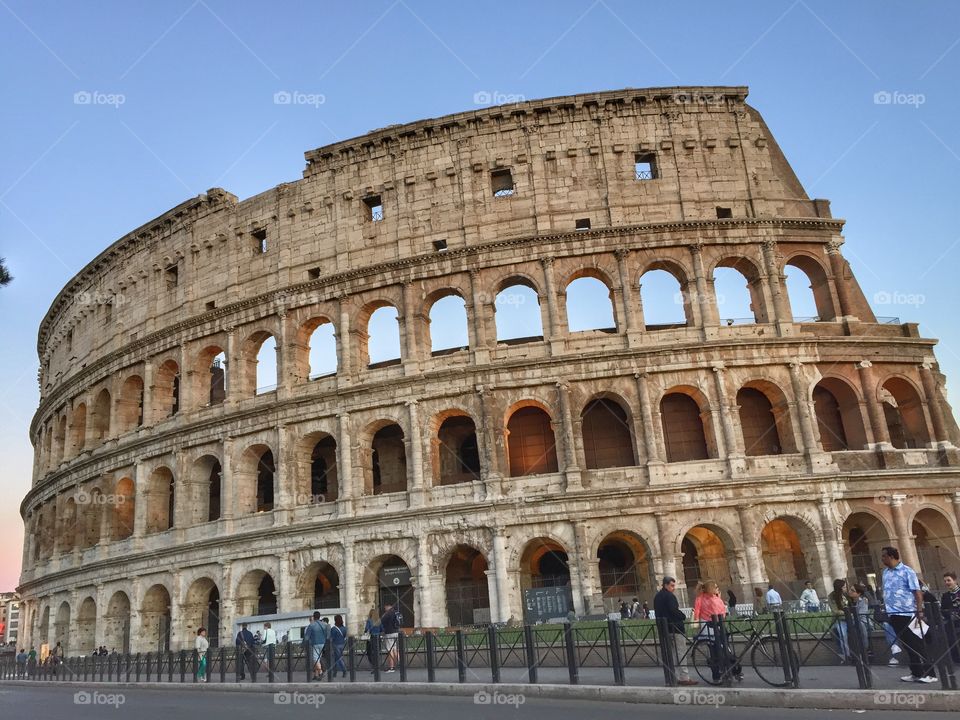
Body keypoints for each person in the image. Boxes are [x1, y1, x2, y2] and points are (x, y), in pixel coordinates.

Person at [881, 546, 936, 683]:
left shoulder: (907, 571)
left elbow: (917, 592)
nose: (882, 559)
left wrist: (919, 610)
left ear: (892, 557)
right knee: (907, 645)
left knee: (917, 643)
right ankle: (916, 672)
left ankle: (930, 673)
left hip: (908, 613)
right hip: (893, 613)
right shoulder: (885, 573)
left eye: (884, 556)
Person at [693, 580, 741, 682]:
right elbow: (721, 611)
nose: (717, 588)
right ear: (710, 588)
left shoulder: (705, 598)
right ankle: (724, 672)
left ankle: (722, 673)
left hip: (712, 626)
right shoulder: (707, 598)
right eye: (715, 587)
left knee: (718, 650)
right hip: (711, 626)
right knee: (718, 650)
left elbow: (698, 612)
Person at [653, 576, 697, 686]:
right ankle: (684, 677)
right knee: (681, 653)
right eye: (672, 585)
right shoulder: (670, 596)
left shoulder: (657, 597)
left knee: (671, 654)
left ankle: (673, 676)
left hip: (664, 629)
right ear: (666, 585)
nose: (674, 588)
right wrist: (682, 616)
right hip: (675, 628)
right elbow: (674, 611)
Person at [828, 578, 851, 662]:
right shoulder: (832, 596)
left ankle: (863, 652)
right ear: (839, 587)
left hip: (850, 618)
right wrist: (847, 612)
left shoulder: (847, 595)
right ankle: (846, 656)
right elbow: (835, 610)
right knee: (843, 635)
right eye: (844, 587)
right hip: (841, 619)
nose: (845, 588)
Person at [940, 571, 960, 663]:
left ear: (955, 580)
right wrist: (950, 615)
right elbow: (942, 609)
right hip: (951, 621)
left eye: (949, 580)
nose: (947, 583)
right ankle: (956, 659)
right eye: (945, 581)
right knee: (950, 638)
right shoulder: (945, 595)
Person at [304, 611, 326, 681]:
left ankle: (321, 672)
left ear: (314, 617)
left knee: (315, 659)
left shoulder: (311, 625)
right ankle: (316, 675)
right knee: (318, 659)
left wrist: (304, 644)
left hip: (315, 644)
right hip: (323, 643)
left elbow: (307, 637)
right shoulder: (324, 624)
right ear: (319, 616)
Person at [380, 602, 401, 673]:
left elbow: (381, 622)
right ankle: (400, 665)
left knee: (390, 650)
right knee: (395, 649)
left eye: (385, 607)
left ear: (387, 606)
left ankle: (391, 667)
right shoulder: (396, 612)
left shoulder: (387, 614)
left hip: (389, 633)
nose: (384, 608)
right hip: (396, 632)